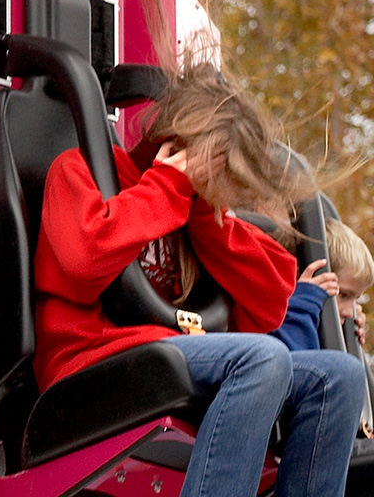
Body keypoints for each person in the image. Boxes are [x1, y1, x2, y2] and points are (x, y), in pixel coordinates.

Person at [33, 61, 366, 497]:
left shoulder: (194, 210)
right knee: (263, 360)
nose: (229, 195)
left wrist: (207, 218)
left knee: (338, 376)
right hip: (89, 363)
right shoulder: (82, 170)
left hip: (168, 352)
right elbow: (85, 261)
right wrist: (168, 185)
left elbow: (269, 305)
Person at [273, 218, 374, 351]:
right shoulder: (276, 317)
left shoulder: (339, 324)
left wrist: (347, 340)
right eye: (343, 295)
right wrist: (302, 308)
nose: (350, 313)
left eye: (356, 299)